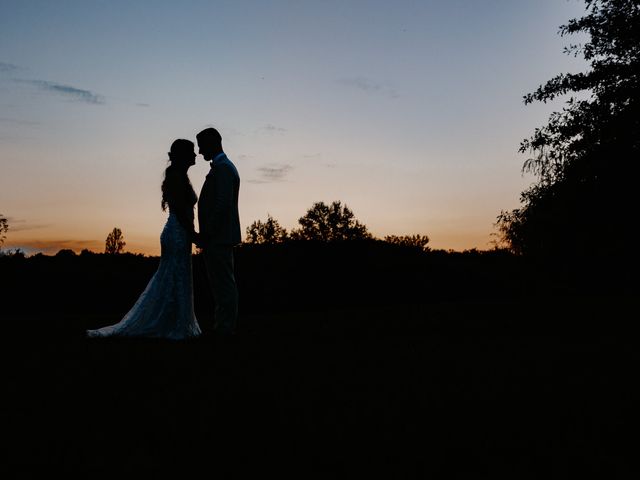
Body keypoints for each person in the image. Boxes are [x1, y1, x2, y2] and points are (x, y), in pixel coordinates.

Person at [87, 139, 202, 340]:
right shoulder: (176, 177)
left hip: (180, 234)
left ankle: (177, 321)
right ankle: (174, 325)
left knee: (177, 277)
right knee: (174, 276)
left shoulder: (180, 176)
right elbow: (180, 211)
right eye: (192, 152)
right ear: (183, 155)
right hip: (177, 233)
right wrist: (193, 235)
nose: (196, 155)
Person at [196, 127, 241, 336]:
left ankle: (224, 328)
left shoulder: (223, 168)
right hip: (218, 236)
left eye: (201, 146)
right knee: (220, 284)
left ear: (213, 142)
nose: (199, 151)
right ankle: (221, 326)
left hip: (218, 237)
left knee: (223, 285)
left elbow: (223, 204)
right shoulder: (222, 167)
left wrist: (207, 233)